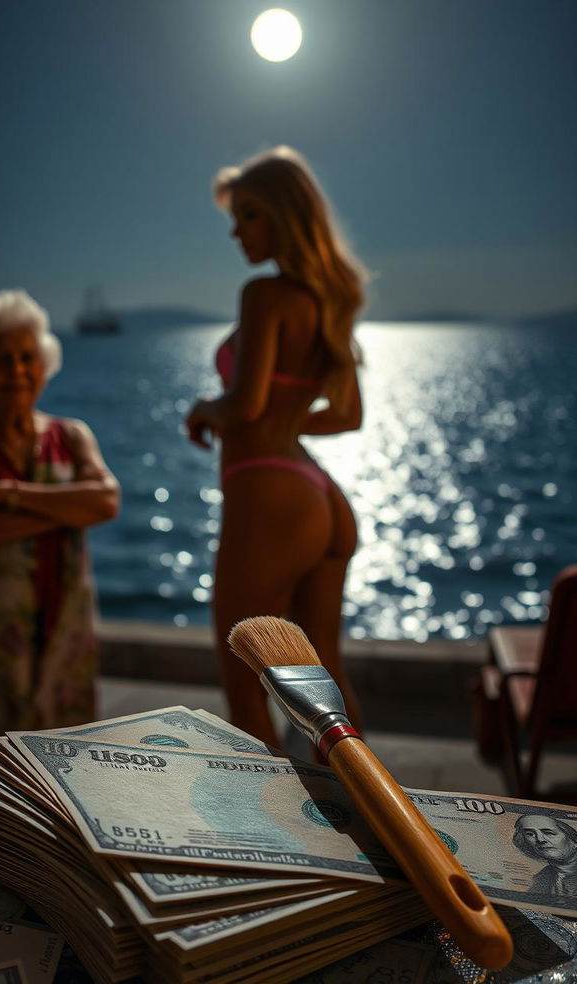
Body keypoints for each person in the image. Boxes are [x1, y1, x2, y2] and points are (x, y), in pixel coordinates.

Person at [186, 146, 365, 747]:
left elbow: (246, 406)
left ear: (286, 217)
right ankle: (366, 825)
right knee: (328, 693)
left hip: (270, 496)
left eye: (250, 215)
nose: (237, 232)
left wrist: (205, 409)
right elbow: (347, 414)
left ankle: (269, 839)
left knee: (248, 686)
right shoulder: (326, 304)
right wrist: (287, 425)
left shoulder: (262, 296)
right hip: (321, 500)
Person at [0, 289, 120, 743]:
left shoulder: (71, 435)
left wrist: (8, 492)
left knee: (65, 765)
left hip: (64, 627)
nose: (17, 372)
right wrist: (68, 510)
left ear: (44, 363)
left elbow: (106, 500)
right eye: (1, 359)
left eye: (27, 357)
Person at [512, 814, 577, 897]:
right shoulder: (541, 878)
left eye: (548, 833)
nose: (540, 839)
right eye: (530, 834)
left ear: (576, 841)